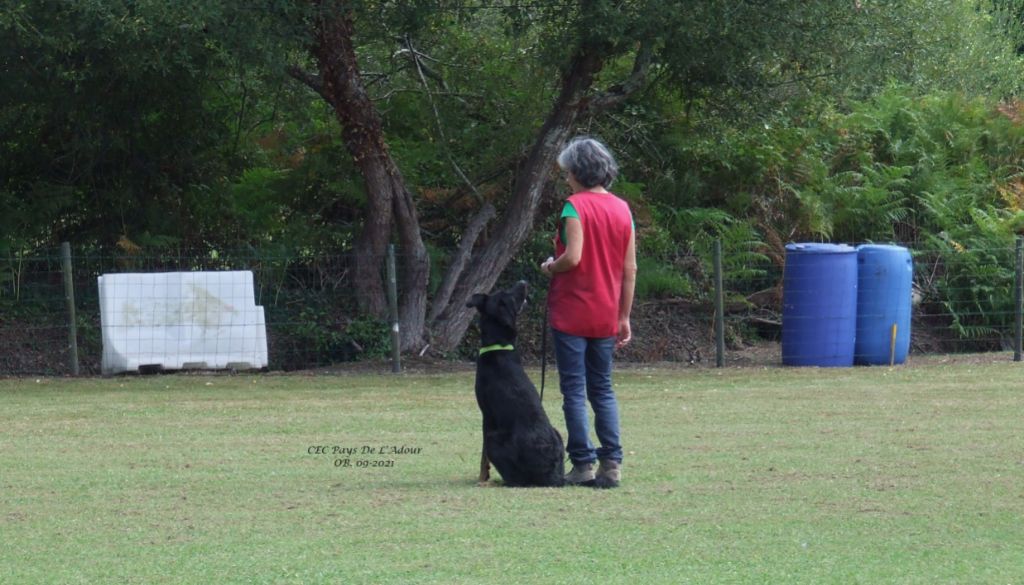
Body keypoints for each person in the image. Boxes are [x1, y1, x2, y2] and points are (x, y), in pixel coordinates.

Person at [540, 136, 637, 488]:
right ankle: (612, 463)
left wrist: (551, 266)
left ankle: (582, 464)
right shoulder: (623, 209)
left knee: (574, 390)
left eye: (567, 172)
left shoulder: (573, 207)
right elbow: (630, 269)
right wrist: (624, 316)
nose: (565, 179)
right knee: (603, 389)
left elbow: (574, 257)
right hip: (607, 313)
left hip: (573, 311)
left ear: (578, 172)